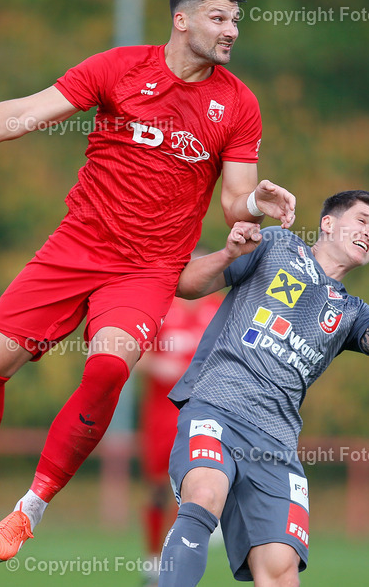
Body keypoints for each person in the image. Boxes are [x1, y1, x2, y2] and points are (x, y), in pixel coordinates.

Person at [0, 0, 296, 563]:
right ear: (182, 20)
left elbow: (234, 200)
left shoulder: (237, 103)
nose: (231, 31)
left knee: (105, 371)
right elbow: (23, 113)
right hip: (77, 246)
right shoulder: (119, 68)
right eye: (218, 18)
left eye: (236, 20)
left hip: (149, 269)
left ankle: (30, 510)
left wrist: (256, 204)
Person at [158, 190, 369, 586]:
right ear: (327, 223)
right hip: (217, 406)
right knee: (204, 494)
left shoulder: (352, 312)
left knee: (281, 571)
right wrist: (227, 253)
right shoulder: (277, 244)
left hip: (275, 443)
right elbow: (186, 286)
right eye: (362, 221)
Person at [137, 249, 223, 586]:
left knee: (195, 485)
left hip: (203, 413)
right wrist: (161, 366)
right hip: (160, 413)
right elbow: (136, 356)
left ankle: (178, 563)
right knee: (159, 488)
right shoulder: (162, 308)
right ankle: (152, 560)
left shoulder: (218, 310)